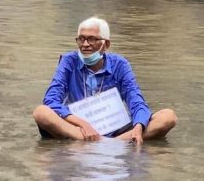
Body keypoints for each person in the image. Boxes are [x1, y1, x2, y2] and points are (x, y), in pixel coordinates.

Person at [33, 17, 177, 146]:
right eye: (81, 39)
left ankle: (107, 143)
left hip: (114, 129)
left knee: (168, 117)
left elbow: (136, 101)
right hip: (77, 127)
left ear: (106, 44)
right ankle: (108, 144)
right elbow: (51, 100)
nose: (85, 44)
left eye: (92, 39)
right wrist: (83, 124)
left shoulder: (120, 64)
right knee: (41, 112)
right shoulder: (69, 61)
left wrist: (139, 126)